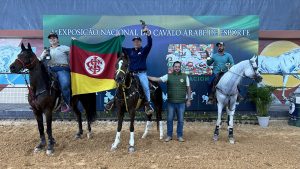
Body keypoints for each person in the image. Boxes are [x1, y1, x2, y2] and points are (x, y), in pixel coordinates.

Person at [106, 26, 154, 115]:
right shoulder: (129, 51)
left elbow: (150, 44)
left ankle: (148, 104)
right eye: (135, 41)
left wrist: (148, 34)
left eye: (138, 41)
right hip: (131, 74)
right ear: (133, 42)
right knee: (120, 84)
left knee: (145, 86)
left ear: (140, 42)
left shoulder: (144, 50)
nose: (136, 42)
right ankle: (113, 101)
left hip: (141, 74)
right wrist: (117, 39)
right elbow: (119, 48)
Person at [148, 61, 191, 142]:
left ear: (180, 67)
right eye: (176, 67)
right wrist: (146, 76)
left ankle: (179, 136)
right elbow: (157, 79)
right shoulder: (168, 76)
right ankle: (169, 135)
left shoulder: (185, 76)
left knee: (181, 120)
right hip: (171, 102)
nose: (177, 68)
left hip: (181, 103)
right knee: (169, 119)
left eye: (178, 67)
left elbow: (188, 88)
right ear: (173, 67)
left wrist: (189, 99)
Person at [39, 32, 72, 113]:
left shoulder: (64, 48)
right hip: (50, 70)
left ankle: (68, 104)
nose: (52, 39)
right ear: (49, 40)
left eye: (54, 38)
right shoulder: (46, 50)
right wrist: (43, 56)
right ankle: (38, 103)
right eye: (50, 38)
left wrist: (76, 42)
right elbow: (39, 60)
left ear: (57, 39)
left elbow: (76, 51)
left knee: (65, 85)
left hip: (62, 69)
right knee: (40, 84)